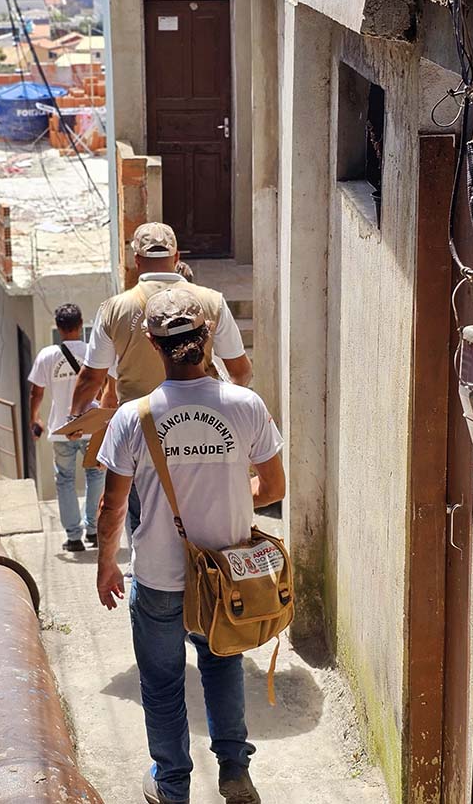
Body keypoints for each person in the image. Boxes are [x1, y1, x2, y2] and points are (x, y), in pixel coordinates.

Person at [94, 288, 286, 804]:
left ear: (154, 346)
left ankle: (172, 785)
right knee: (222, 663)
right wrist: (233, 487)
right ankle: (235, 773)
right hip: (226, 573)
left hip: (158, 576)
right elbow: (272, 489)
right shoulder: (246, 406)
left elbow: (112, 508)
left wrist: (106, 565)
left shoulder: (131, 418)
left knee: (161, 683)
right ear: (207, 342)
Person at [69, 222, 252, 536]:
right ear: (177, 256)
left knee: (144, 524)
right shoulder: (211, 301)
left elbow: (90, 378)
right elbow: (241, 371)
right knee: (204, 516)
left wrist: (76, 417)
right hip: (202, 427)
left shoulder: (114, 309)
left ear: (136, 260)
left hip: (142, 431)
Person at [28, 303, 105, 552]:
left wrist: (35, 418)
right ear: (81, 325)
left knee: (65, 480)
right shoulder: (93, 352)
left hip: (62, 428)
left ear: (59, 328)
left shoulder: (47, 356)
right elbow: (106, 387)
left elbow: (36, 392)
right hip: (91, 424)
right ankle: (93, 530)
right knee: (96, 475)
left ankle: (73, 537)